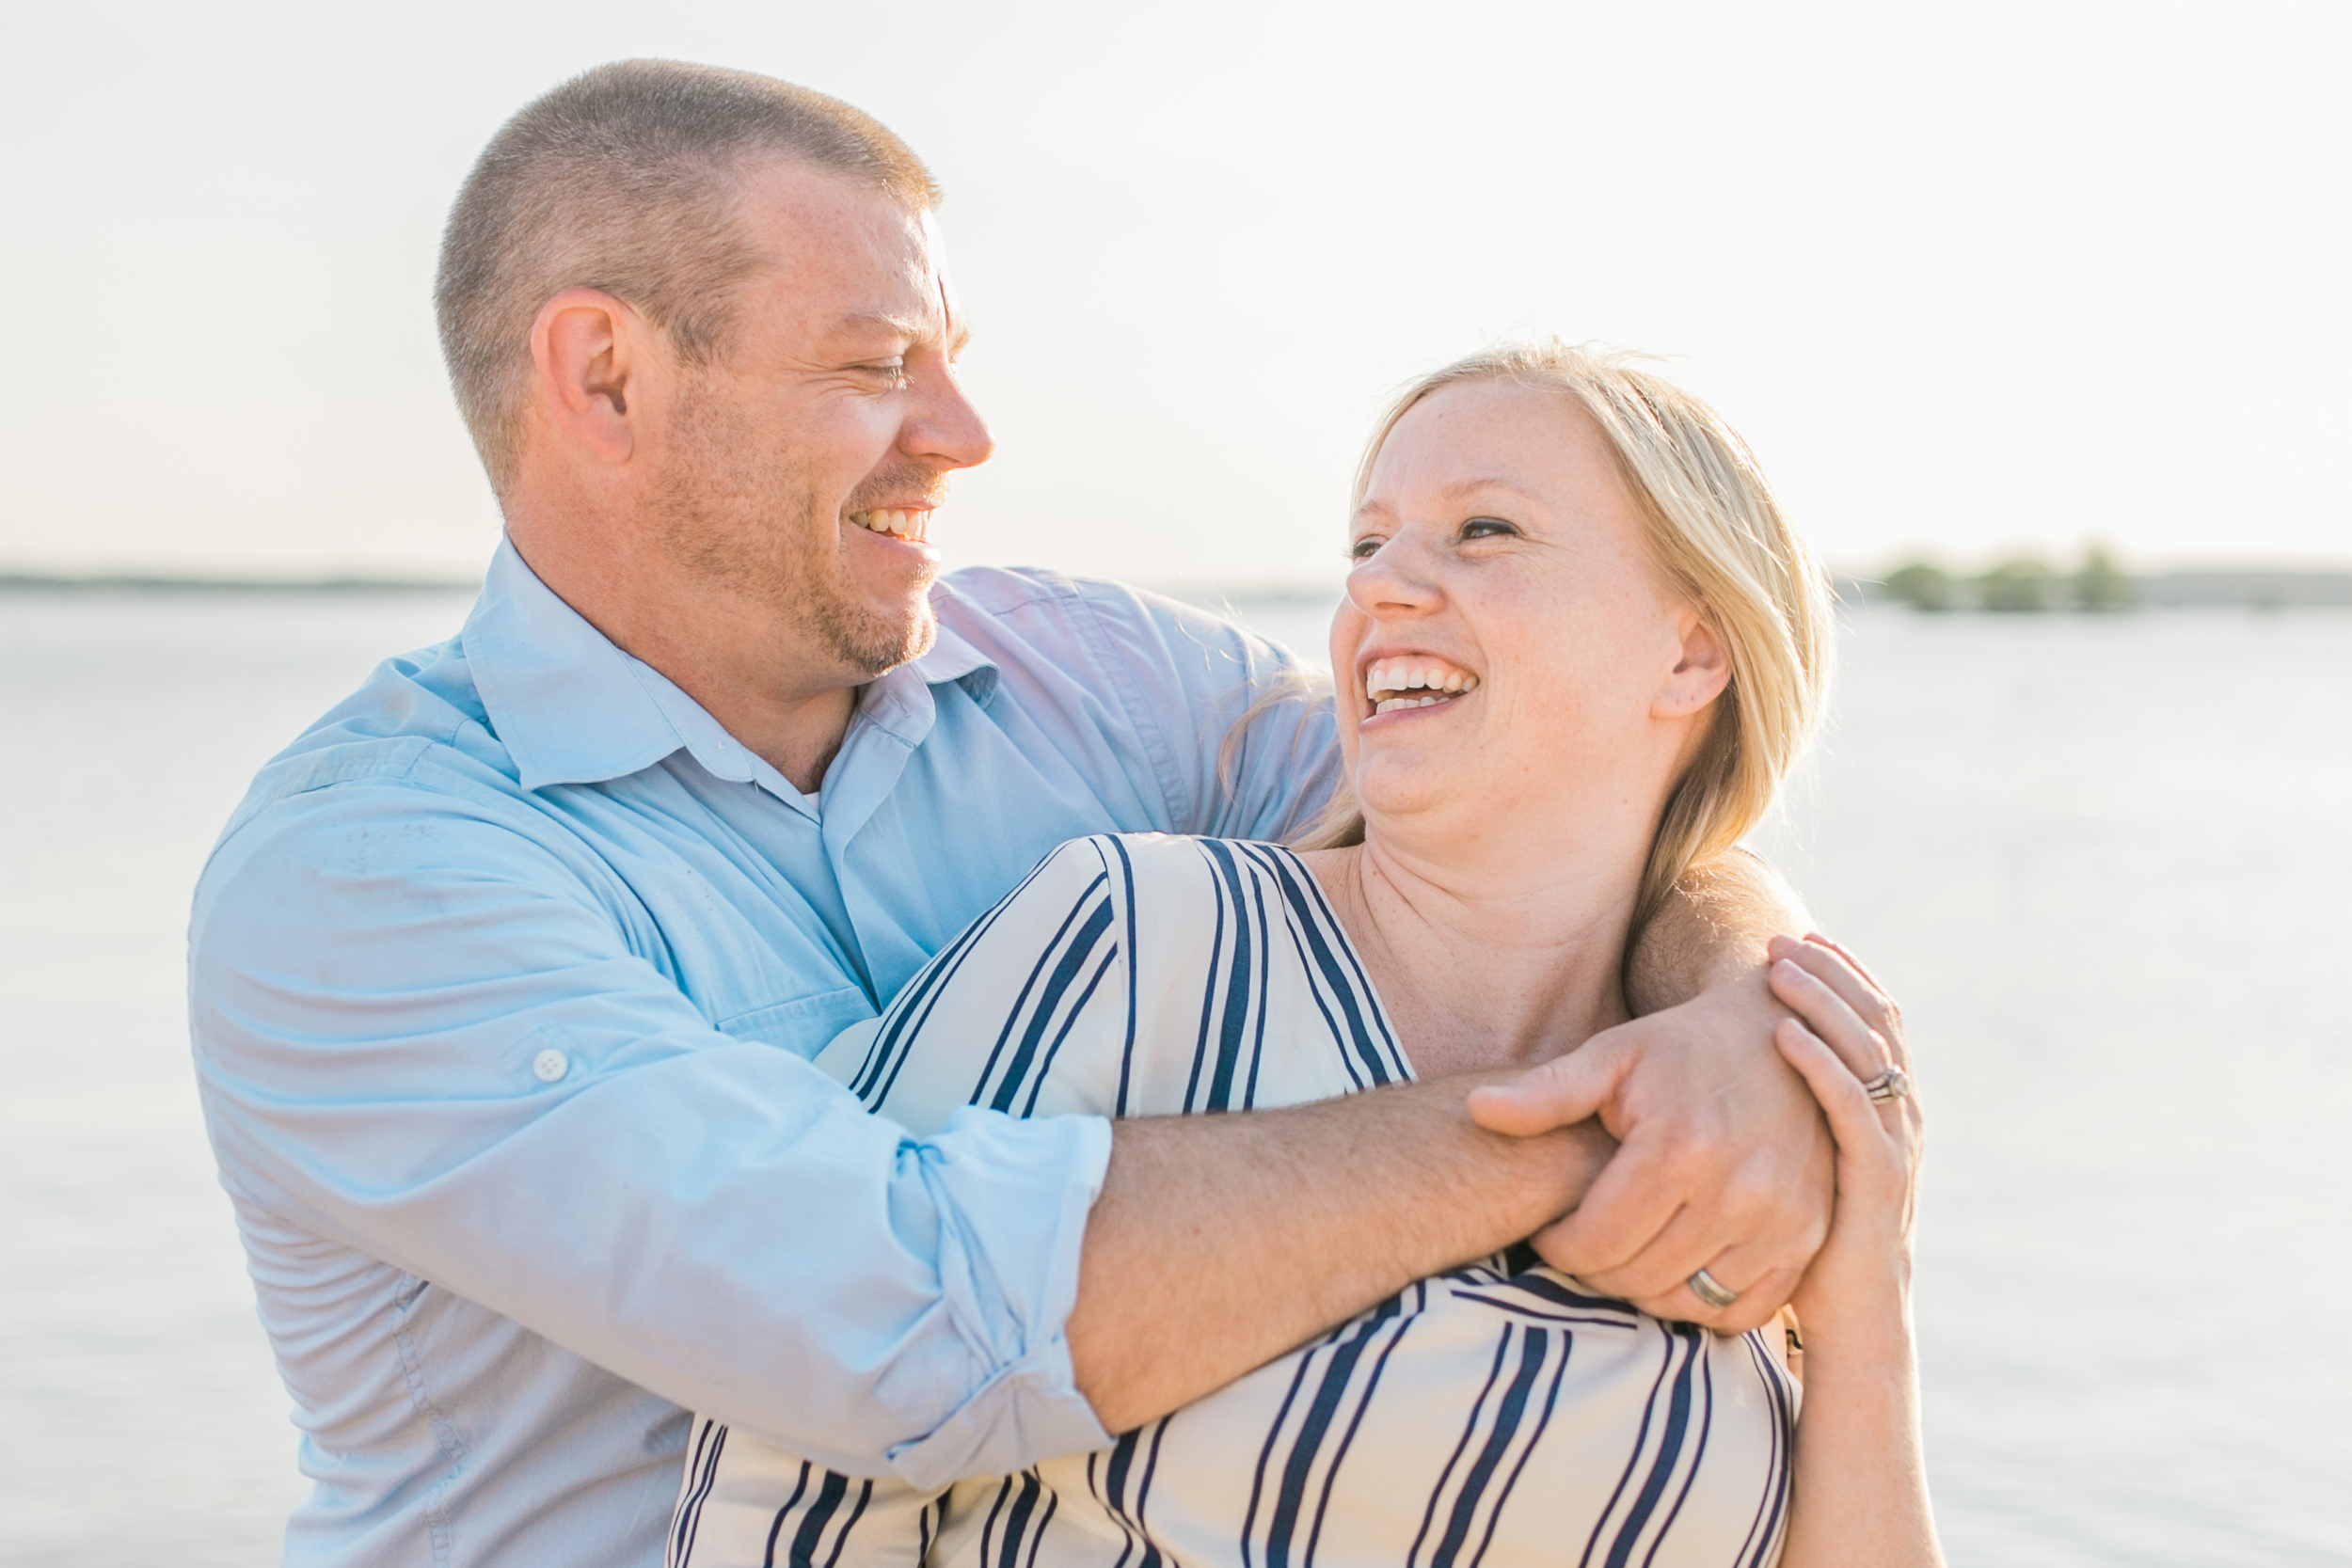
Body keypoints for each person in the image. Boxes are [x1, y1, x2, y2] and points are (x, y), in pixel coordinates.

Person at [186, 62, 1895, 1567]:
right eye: (877, 365)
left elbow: (1555, 806)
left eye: (955, 364)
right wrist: (1588, 1129)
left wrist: (1744, 1015)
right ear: (608, 376)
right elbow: (904, 1329)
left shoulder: (1102, 685)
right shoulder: (366, 879)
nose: (965, 435)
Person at [665, 345, 1940, 1567]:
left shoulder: (1763, 1117)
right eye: (1368, 545)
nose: (1382, 585)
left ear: (1693, 650)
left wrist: (1866, 1306)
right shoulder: (1139, 939)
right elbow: (788, 1451)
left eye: (1483, 532)